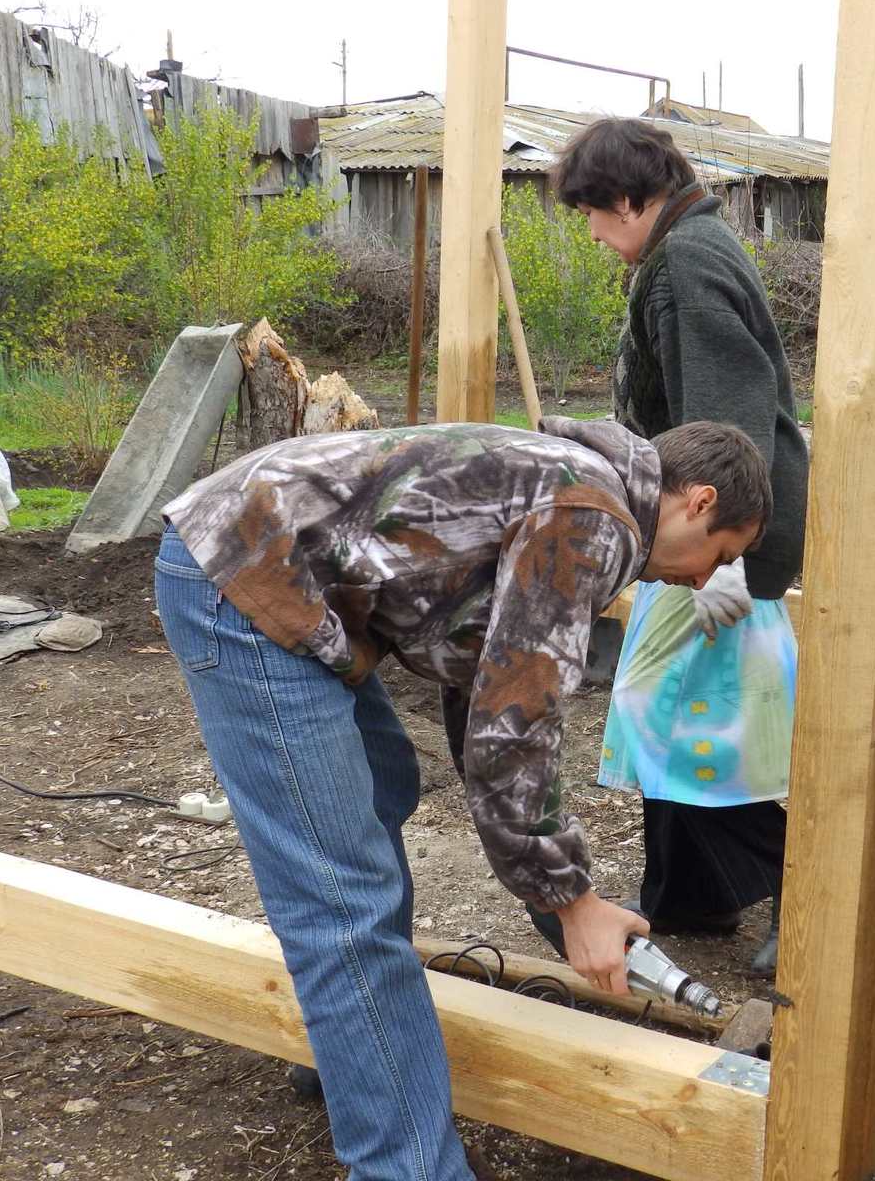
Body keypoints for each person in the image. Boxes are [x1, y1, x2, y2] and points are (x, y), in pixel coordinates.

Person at [155, 416, 771, 1181]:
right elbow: (515, 727)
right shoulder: (592, 517)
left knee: (383, 781)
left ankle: (353, 1056)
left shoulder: (580, 486)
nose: (706, 578)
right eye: (723, 554)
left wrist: (557, 896)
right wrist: (572, 902)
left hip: (274, 553)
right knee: (341, 903)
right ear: (699, 503)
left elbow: (483, 692)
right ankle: (405, 1165)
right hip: (245, 569)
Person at [552, 118, 809, 978]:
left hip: (708, 533)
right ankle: (690, 893)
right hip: (695, 527)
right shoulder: (687, 248)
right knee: (680, 712)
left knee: (662, 715)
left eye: (592, 210)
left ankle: (803, 885)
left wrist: (723, 563)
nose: (591, 231)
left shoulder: (691, 262)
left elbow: (728, 425)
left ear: (630, 198)